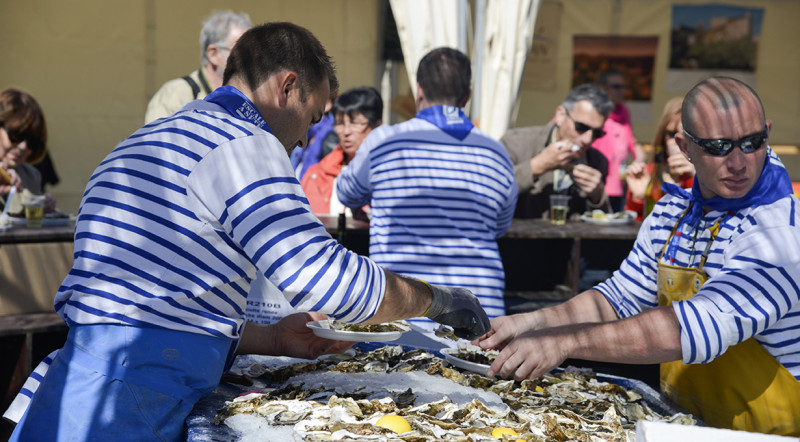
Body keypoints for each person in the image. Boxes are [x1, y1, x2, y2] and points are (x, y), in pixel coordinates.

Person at [10, 23, 489, 441]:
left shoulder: (145, 140)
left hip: (83, 384)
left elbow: (161, 306)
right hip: (128, 400)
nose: (306, 137)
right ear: (287, 87)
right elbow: (322, 277)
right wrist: (438, 300)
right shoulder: (245, 144)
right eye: (315, 116)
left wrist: (273, 339)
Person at [475, 76, 800, 435]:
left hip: (772, 432)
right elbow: (618, 299)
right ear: (684, 146)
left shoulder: (780, 233)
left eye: (752, 143)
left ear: (767, 133)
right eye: (719, 147)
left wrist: (564, 341)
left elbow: (690, 328)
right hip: (689, 423)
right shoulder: (671, 213)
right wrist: (533, 322)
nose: (738, 162)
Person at [337, 47, 518, 344]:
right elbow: (498, 227)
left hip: (403, 313)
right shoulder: (496, 152)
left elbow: (346, 192)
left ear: (419, 90)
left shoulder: (384, 141)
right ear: (468, 95)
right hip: (482, 317)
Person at [501, 84, 613, 220]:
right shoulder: (516, 143)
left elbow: (604, 226)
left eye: (597, 133)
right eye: (581, 127)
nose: (588, 139)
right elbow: (490, 192)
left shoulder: (597, 161)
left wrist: (598, 197)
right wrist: (537, 166)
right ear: (560, 115)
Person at [144, 10, 252, 123]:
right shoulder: (176, 94)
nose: (253, 58)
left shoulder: (250, 97)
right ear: (213, 54)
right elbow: (157, 139)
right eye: (242, 51)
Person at [301, 86, 381, 217]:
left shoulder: (391, 174)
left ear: (377, 126)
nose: (346, 132)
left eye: (356, 123)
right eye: (340, 123)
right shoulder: (316, 174)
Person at [625, 97, 695, 219]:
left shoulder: (706, 178)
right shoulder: (647, 173)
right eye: (671, 134)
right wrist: (639, 199)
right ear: (662, 137)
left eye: (687, 135)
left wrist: (695, 180)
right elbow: (635, 228)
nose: (678, 142)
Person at [593, 69, 643, 212]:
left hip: (618, 187)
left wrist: (639, 159)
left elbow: (631, 141)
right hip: (596, 186)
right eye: (616, 87)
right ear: (602, 87)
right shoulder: (594, 111)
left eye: (623, 87)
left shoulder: (623, 111)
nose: (621, 91)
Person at [0, 88, 56, 212]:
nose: (23, 147)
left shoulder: (31, 176)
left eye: (32, 142)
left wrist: (44, 209)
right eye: (16, 136)